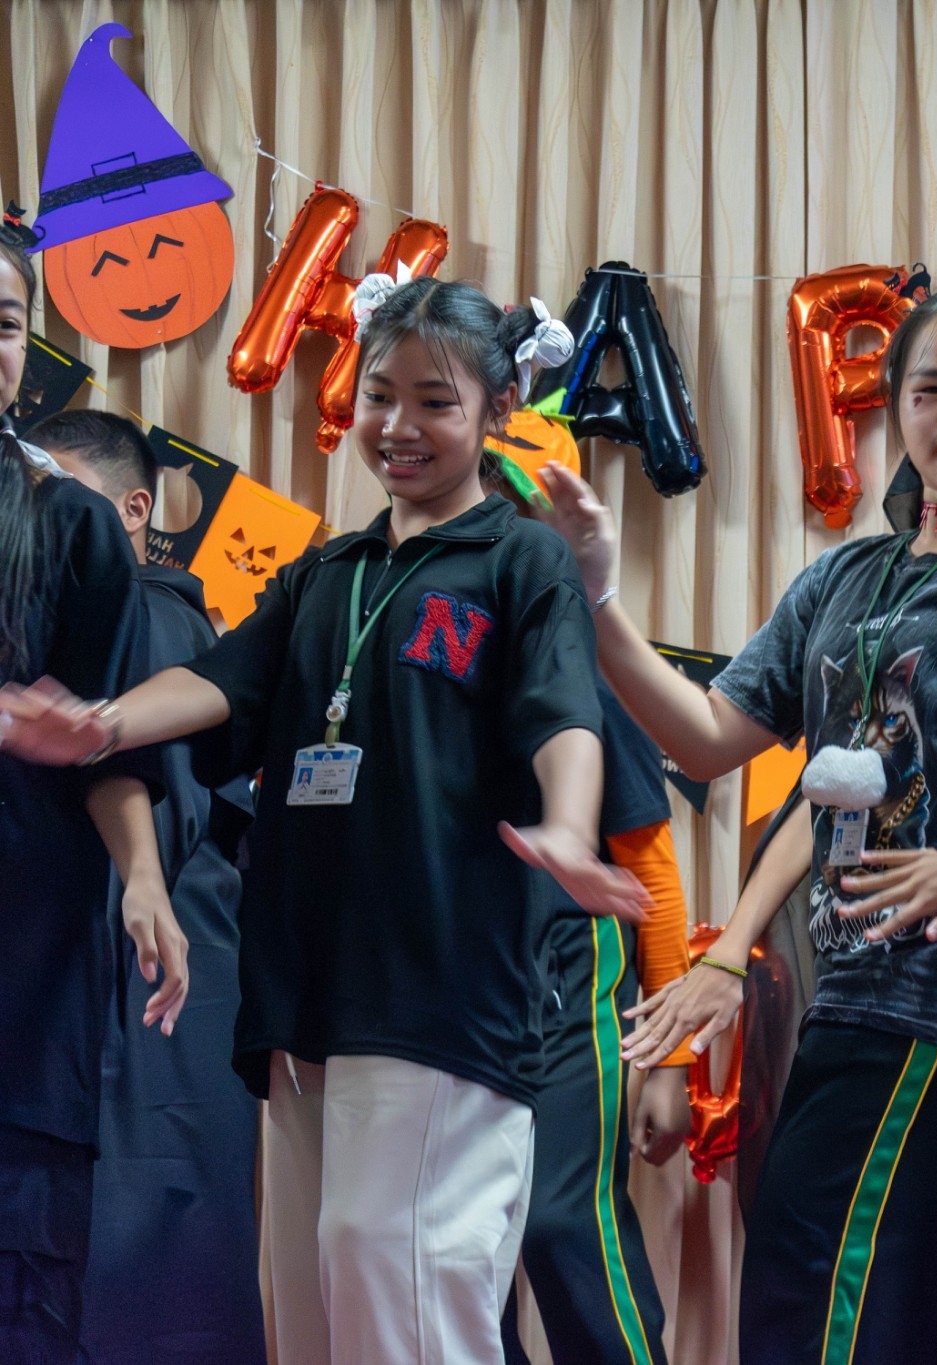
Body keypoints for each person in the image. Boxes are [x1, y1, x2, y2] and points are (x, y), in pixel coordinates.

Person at [0, 275, 647, 1365]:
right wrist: (101, 723)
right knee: (311, 1310)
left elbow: (563, 719)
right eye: (380, 396)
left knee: (401, 1287)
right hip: (304, 1005)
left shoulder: (520, 559)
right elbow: (218, 686)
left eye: (435, 401)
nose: (398, 426)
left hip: (438, 996)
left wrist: (571, 834)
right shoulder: (325, 574)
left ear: (498, 410)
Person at [537, 278, 937, 1364]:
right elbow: (707, 738)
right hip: (848, 993)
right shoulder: (845, 575)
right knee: (901, 1316)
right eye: (929, 388)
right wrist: (598, 597)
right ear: (895, 408)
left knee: (823, 1308)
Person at [35, 408, 266, 1364]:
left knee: (145, 1284)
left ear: (134, 510)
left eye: (63, 496)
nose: (47, 520)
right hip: (139, 995)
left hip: (149, 996)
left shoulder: (147, 612)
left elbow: (160, 829)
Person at [0, 232, 186, 1364]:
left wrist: (145, 880)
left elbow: (108, 743)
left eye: (7, 323)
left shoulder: (67, 518)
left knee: (27, 1289)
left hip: (29, 964)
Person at [489, 467, 691, 1365]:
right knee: (468, 1244)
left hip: (573, 987)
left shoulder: (588, 681)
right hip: (463, 993)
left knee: (564, 1222)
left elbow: (654, 874)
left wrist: (670, 1063)